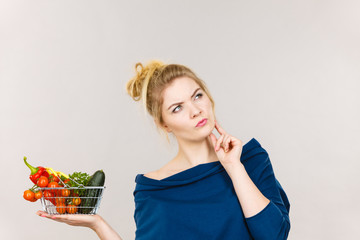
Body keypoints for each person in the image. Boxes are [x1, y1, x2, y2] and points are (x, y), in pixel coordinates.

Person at [37, 60, 291, 239]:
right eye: (177, 107)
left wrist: (234, 167)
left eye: (197, 96)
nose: (195, 110)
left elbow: (273, 236)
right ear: (164, 124)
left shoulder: (251, 160)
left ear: (209, 98)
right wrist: (98, 225)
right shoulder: (153, 189)